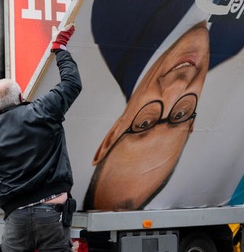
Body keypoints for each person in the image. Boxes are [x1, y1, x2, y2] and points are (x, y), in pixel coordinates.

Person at [0, 24, 82, 252]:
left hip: (17, 219)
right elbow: (72, 83)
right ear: (21, 97)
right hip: (53, 214)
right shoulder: (45, 110)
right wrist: (60, 48)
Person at [84, 21, 210, 210]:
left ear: (110, 138)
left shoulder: (112, 21)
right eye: (181, 113)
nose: (177, 87)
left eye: (144, 123)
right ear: (191, 123)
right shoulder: (240, 37)